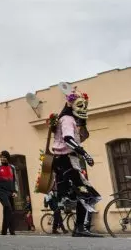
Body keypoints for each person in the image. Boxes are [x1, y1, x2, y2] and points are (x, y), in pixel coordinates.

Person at [50, 88, 102, 237]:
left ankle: (79, 227)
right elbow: (68, 138)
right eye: (80, 105)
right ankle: (79, 227)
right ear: (70, 104)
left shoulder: (72, 120)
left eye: (84, 106)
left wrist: (83, 122)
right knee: (86, 193)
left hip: (68, 161)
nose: (83, 109)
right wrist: (84, 154)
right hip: (65, 161)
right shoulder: (67, 119)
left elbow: (82, 137)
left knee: (84, 194)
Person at [0, 150, 18, 235]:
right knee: (8, 207)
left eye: (4, 157)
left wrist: (15, 191)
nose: (2, 159)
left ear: (7, 158)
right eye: (1, 157)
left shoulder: (12, 167)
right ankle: (7, 230)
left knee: (9, 210)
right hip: (1, 191)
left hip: (10, 191)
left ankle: (7, 231)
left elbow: (15, 181)